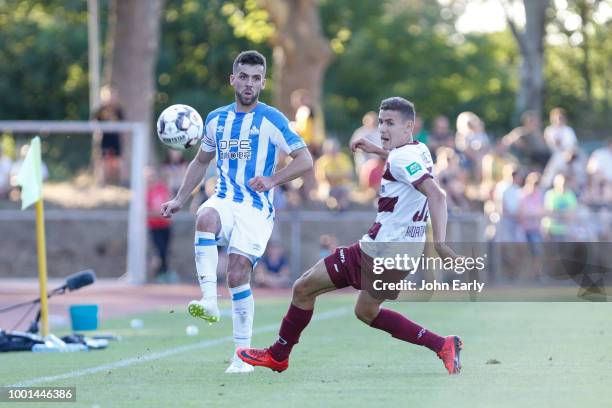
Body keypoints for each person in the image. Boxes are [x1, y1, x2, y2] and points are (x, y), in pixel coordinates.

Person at [236, 97, 462, 375]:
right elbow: (405, 164)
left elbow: (437, 196)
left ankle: (278, 355)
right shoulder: (420, 150)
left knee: (303, 287)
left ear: (409, 126)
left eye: (390, 123)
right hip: (402, 257)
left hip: (377, 252)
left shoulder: (403, 157)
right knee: (366, 311)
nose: (382, 128)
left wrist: (439, 244)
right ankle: (443, 345)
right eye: (381, 122)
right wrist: (377, 150)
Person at [160, 50, 313, 373]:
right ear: (233, 79)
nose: (249, 83)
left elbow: (305, 160)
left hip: (257, 210)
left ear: (263, 82)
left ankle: (241, 355)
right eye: (243, 76)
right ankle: (209, 301)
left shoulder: (272, 119)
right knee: (205, 216)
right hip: (226, 199)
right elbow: (201, 161)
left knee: (237, 272)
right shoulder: (216, 119)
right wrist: (179, 198)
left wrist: (273, 179)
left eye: (256, 78)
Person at [146, 167, 175, 283]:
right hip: (154, 226)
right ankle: (159, 274)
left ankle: (165, 272)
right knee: (159, 250)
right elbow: (147, 211)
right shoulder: (146, 193)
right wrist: (159, 213)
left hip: (165, 225)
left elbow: (168, 203)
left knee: (165, 251)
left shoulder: (161, 188)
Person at [314, 138, 354, 210]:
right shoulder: (321, 162)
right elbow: (321, 178)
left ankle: (341, 209)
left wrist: (333, 177)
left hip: (341, 185)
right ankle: (333, 207)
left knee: (345, 190)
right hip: (328, 186)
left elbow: (349, 175)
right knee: (326, 192)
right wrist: (338, 177)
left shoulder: (344, 159)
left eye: (334, 150)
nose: (333, 152)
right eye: (331, 150)